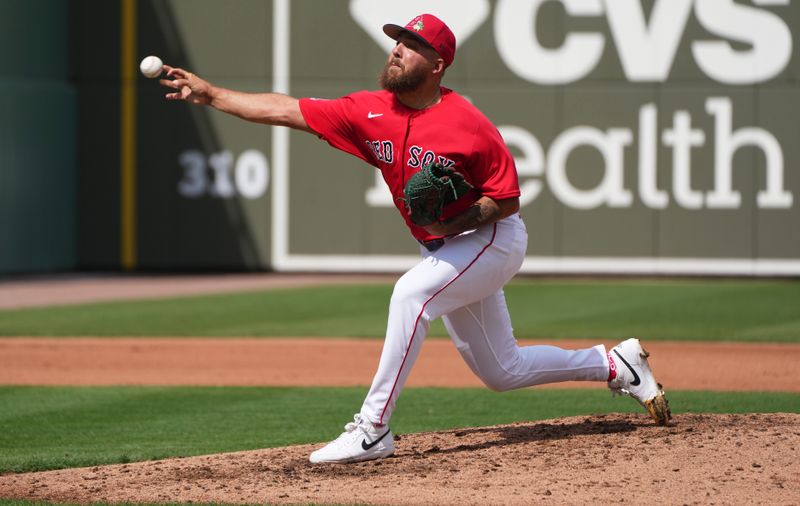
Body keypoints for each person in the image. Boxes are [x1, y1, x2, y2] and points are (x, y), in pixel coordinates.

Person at [160, 13, 670, 464]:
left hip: (493, 238)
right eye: (397, 40)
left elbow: (509, 198)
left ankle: (372, 430)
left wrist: (458, 220)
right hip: (448, 248)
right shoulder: (368, 110)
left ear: (438, 63)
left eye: (412, 44)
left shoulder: (467, 123)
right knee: (502, 370)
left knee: (411, 294)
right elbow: (285, 109)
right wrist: (212, 95)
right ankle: (613, 364)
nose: (397, 48)